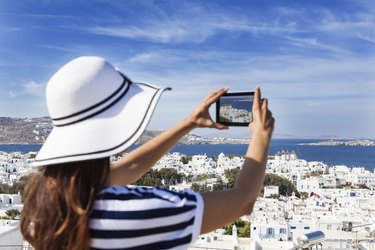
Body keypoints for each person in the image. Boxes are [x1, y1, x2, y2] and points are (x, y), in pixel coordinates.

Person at [20, 56, 274, 250]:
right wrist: (261, 135)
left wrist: (189, 123)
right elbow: (242, 201)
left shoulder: (46, 198)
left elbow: (129, 168)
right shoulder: (131, 212)